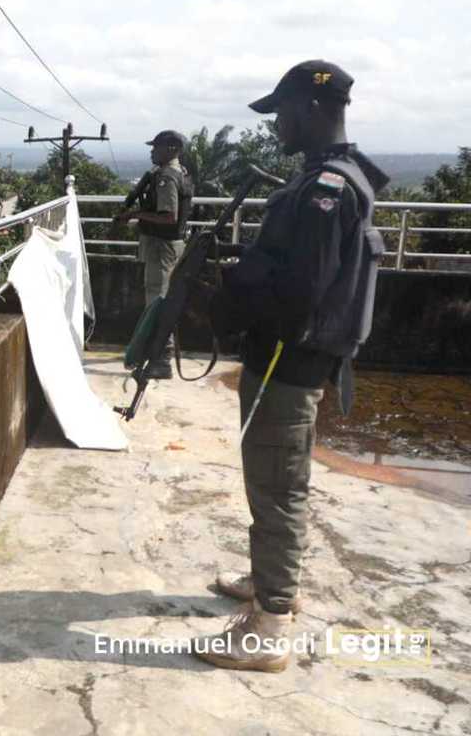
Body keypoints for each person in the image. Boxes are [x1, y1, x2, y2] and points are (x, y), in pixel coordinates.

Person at [198, 60, 388, 672]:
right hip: (291, 356)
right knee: (278, 480)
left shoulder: (327, 189)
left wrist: (229, 292)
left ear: (309, 108)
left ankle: (268, 628)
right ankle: (270, 583)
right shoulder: (329, 179)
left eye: (280, 112)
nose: (276, 125)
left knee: (277, 487)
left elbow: (299, 290)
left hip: (287, 358)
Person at [114, 130, 194, 379]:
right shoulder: (178, 172)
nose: (152, 151)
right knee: (159, 301)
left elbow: (168, 217)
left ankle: (162, 360)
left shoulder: (167, 177)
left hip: (163, 247)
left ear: (172, 149)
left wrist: (134, 215)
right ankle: (157, 355)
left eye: (156, 147)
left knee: (158, 304)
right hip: (167, 247)